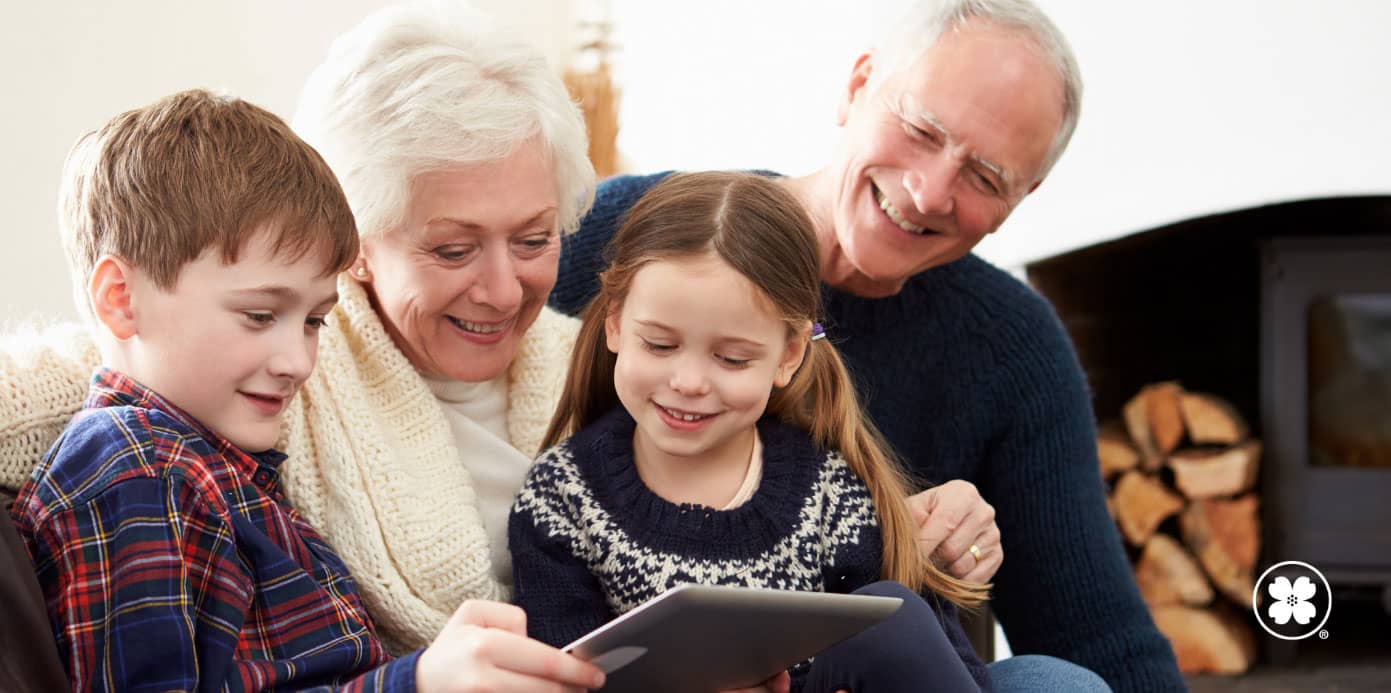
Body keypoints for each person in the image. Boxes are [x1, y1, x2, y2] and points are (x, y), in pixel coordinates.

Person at [548, 1, 1183, 691]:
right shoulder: (625, 237)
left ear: (1022, 197)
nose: (926, 191)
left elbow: (1099, 635)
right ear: (857, 86)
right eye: (920, 129)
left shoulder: (1010, 346)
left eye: (985, 177)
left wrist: (948, 542)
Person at [8, 89, 604, 692]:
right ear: (120, 299)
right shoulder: (138, 473)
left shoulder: (216, 462)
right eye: (260, 316)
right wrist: (415, 684)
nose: (299, 361)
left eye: (315, 321)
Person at [511, 172, 992, 693]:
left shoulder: (826, 490)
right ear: (615, 324)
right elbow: (557, 674)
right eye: (659, 346)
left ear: (788, 355)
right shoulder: (562, 496)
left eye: (732, 358)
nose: (689, 383)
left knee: (896, 621)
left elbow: (944, 664)